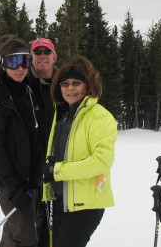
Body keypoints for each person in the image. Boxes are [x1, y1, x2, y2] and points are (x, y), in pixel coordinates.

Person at [42, 55, 117, 247]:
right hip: (59, 199)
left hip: (84, 205)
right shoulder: (63, 115)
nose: (70, 88)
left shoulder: (99, 116)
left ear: (88, 85)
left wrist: (56, 171)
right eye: (65, 84)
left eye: (76, 83)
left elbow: (102, 161)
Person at [0, 34, 42, 247]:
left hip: (27, 179)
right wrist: (15, 188)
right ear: (3, 63)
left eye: (25, 61)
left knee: (16, 231)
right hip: (10, 181)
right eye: (14, 61)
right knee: (25, 237)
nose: (20, 68)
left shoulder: (25, 90)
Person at [28, 38, 58, 247]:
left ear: (54, 56)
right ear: (31, 59)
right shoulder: (24, 84)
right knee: (30, 226)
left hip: (61, 164)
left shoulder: (65, 83)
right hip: (32, 166)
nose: (41, 56)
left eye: (46, 51)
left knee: (58, 222)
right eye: (37, 53)